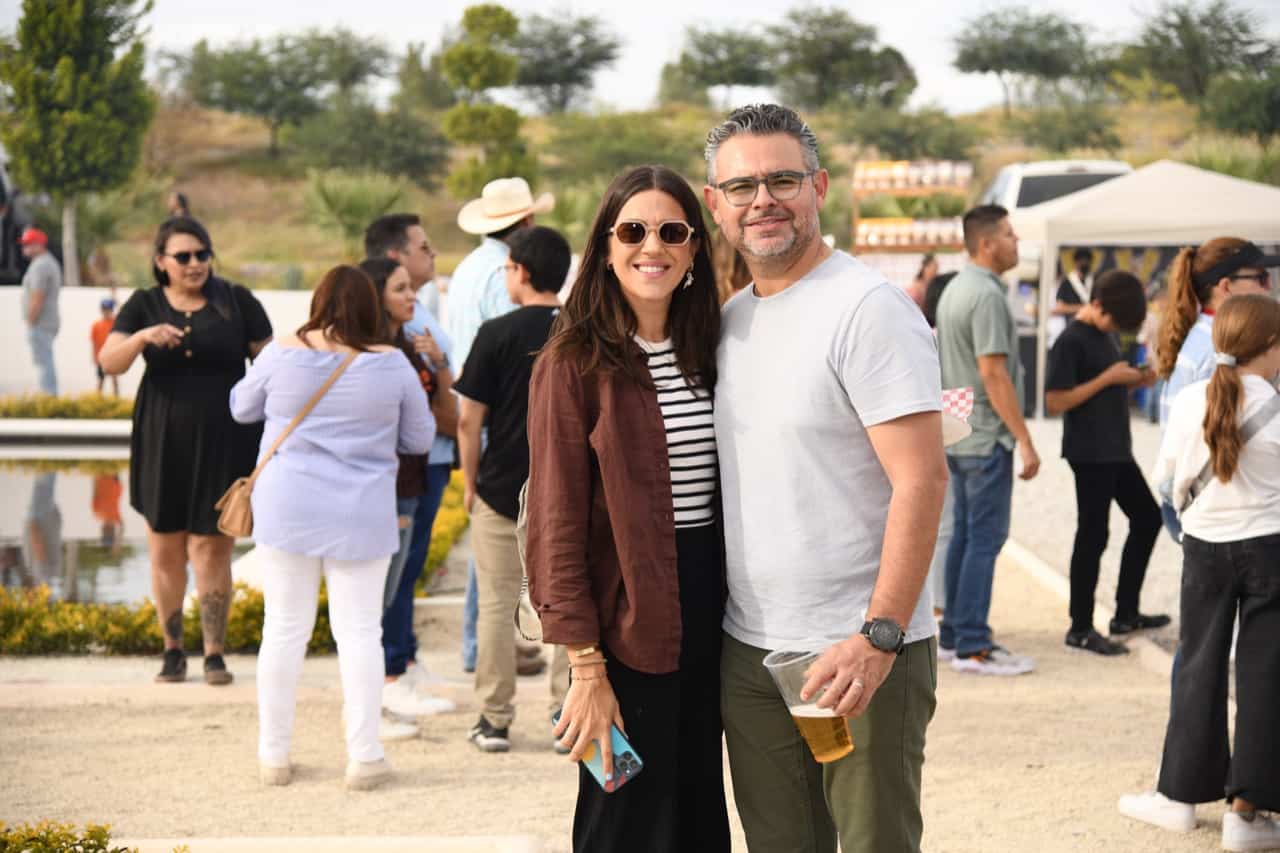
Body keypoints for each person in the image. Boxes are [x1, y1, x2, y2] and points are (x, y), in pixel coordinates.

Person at [703, 103, 947, 853]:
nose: (762, 200)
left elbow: (923, 478)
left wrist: (880, 635)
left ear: (819, 186)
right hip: (751, 650)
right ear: (714, 203)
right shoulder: (729, 320)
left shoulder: (867, 309)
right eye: (740, 186)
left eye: (782, 178)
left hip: (857, 648)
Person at [526, 165, 728, 851]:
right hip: (624, 616)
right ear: (606, 247)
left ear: (695, 248)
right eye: (633, 230)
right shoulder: (573, 361)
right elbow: (556, 523)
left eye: (672, 231)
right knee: (622, 817)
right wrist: (587, 669)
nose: (653, 246)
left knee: (698, 804)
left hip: (710, 605)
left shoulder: (712, 347)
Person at [229, 265, 435, 790]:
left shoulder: (280, 351)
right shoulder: (391, 366)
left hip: (287, 506)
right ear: (370, 307)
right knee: (361, 633)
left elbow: (240, 406)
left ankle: (273, 757)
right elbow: (419, 438)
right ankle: (363, 757)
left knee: (283, 629)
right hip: (360, 513)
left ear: (318, 303)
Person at [1120, 240, 1280, 831]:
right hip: (1269, 546)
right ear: (1270, 347)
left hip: (1205, 546)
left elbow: (1166, 478)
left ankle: (1180, 798)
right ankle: (1247, 812)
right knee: (1265, 676)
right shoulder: (1277, 409)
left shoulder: (1190, 400)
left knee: (1199, 666)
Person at [98, 217, 273, 685]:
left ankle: (214, 653)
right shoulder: (144, 304)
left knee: (212, 548)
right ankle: (172, 649)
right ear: (161, 263)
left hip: (224, 439)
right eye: (183, 256)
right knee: (165, 548)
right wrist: (141, 337)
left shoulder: (236, 301)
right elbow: (109, 360)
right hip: (162, 439)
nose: (195, 264)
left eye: (202, 254)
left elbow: (273, 363)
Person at [455, 225, 572, 754]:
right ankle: (565, 712)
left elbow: (468, 419)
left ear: (521, 272)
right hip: (568, 491)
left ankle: (495, 719)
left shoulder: (496, 333)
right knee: (568, 605)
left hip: (501, 490)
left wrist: (468, 481)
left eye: (507, 269)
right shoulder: (581, 329)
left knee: (499, 607)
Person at [452, 177, 554, 674]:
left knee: (492, 568)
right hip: (514, 420)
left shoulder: (469, 267)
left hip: (480, 411)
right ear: (527, 221)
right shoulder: (501, 278)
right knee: (516, 577)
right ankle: (491, 649)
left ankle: (490, 672)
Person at [362, 215, 461, 719]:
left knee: (408, 568)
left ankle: (403, 659)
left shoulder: (419, 318)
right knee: (393, 575)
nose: (434, 252)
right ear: (395, 260)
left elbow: (443, 401)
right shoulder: (389, 343)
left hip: (427, 465)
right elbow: (424, 418)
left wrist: (441, 370)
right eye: (424, 246)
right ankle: (390, 671)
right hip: (404, 471)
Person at [935, 204, 1040, 675]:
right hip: (984, 437)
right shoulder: (987, 296)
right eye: (1010, 235)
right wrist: (1024, 438)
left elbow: (956, 372)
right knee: (984, 540)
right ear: (987, 243)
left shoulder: (955, 289)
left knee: (964, 537)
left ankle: (956, 634)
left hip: (959, 430)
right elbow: (993, 374)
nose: (1016, 243)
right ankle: (973, 642)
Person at [1044, 270, 1167, 656]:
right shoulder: (1070, 341)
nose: (1114, 327)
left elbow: (1107, 381)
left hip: (1116, 447)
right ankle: (1080, 626)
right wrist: (1108, 378)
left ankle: (1125, 613)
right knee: (1093, 535)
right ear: (1095, 304)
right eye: (1112, 320)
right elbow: (1056, 400)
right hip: (1089, 451)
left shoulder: (1104, 333)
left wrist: (1135, 379)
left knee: (1148, 518)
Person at [20, 227, 62, 395]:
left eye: (28, 244)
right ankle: (49, 395)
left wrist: (30, 322)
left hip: (40, 322)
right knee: (45, 360)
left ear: (39, 244)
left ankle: (49, 397)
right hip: (45, 321)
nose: (24, 248)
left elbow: (38, 296)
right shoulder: (46, 263)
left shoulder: (41, 265)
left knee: (44, 362)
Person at [1049, 247, 1095, 345]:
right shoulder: (1067, 282)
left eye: (1087, 261)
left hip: (1092, 332)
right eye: (1082, 261)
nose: (1084, 264)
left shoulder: (1094, 280)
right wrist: (1084, 307)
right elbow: (1059, 308)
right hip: (1072, 329)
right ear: (1075, 263)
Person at [91, 299, 119, 395]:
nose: (106, 311)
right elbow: (94, 342)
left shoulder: (116, 323)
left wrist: (114, 295)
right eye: (104, 309)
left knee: (115, 380)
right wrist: (94, 357)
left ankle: (116, 399)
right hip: (101, 357)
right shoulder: (96, 325)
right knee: (100, 380)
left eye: (108, 309)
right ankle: (98, 400)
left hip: (113, 356)